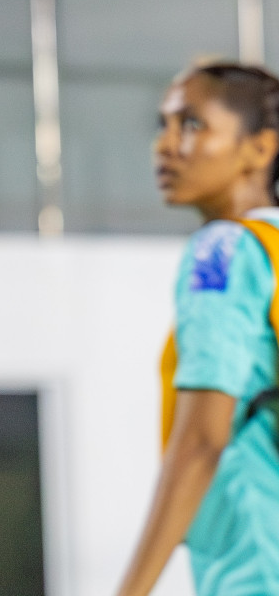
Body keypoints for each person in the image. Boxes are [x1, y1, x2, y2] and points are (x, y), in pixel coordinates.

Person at [116, 63, 279, 596]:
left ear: (260, 148)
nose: (165, 146)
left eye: (191, 125)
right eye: (162, 126)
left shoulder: (221, 252)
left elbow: (200, 441)